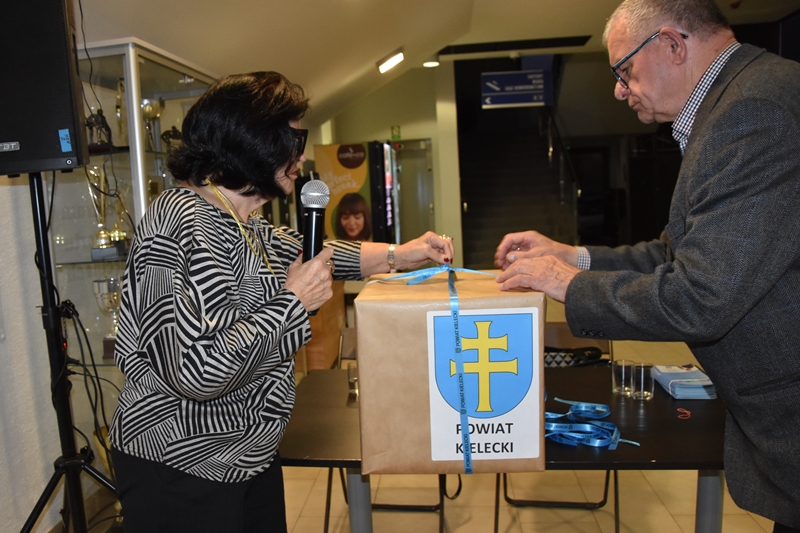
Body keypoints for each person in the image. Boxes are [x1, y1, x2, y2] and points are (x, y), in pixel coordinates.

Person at [494, 1, 800, 531]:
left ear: (673, 45)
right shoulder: (742, 98)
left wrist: (572, 285)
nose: (619, 90)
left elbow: (701, 296)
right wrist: (572, 255)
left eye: (625, 71)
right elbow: (675, 253)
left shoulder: (751, 113)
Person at [108, 71, 454, 533]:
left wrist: (402, 254)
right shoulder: (176, 223)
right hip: (183, 464)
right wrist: (292, 302)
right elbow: (194, 370)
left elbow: (321, 255)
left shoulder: (243, 221)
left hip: (247, 455)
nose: (302, 155)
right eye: (295, 140)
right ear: (253, 140)